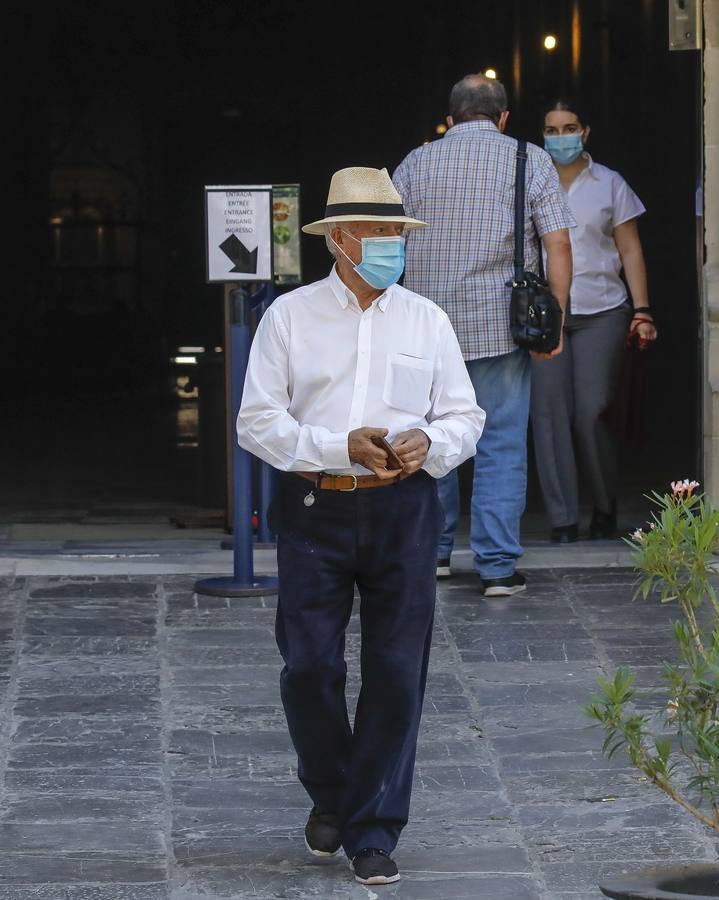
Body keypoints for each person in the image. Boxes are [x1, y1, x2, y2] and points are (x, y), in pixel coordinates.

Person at [236, 167, 485, 885]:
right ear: (340, 240)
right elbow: (258, 422)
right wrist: (333, 446)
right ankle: (334, 792)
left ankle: (372, 827)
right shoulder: (290, 317)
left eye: (397, 234)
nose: (390, 246)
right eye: (377, 233)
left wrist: (427, 447)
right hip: (317, 507)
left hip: (405, 510)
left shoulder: (426, 320)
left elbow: (464, 416)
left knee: (398, 673)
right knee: (309, 666)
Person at [394, 73, 575, 597]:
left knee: (431, 442)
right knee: (499, 444)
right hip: (501, 328)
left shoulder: (415, 162)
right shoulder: (530, 159)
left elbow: (386, 239)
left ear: (450, 119)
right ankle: (496, 567)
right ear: (503, 118)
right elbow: (557, 245)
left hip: (424, 330)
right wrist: (555, 318)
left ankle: (435, 555)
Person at [531, 99, 655, 543]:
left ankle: (605, 506)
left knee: (590, 412)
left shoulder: (610, 184)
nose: (558, 136)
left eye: (567, 127)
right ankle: (562, 519)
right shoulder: (529, 181)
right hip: (546, 315)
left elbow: (630, 250)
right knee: (547, 415)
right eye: (550, 129)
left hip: (602, 310)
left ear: (585, 131)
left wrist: (641, 310)